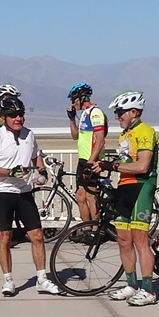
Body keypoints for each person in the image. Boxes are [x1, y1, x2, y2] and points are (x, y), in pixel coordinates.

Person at [0, 96, 61, 297]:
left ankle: (42, 279)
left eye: (21, 115)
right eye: (13, 115)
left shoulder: (29, 134)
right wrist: (9, 172)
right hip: (3, 191)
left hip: (24, 191)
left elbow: (36, 155)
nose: (18, 119)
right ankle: (8, 280)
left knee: (37, 235)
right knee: (5, 237)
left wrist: (42, 172)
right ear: (4, 118)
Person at [105, 90, 159, 306]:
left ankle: (148, 290)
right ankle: (131, 285)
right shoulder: (124, 134)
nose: (117, 116)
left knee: (140, 240)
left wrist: (113, 165)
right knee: (123, 239)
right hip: (125, 187)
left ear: (134, 112)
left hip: (141, 186)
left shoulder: (145, 131)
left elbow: (142, 166)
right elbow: (124, 163)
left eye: (120, 112)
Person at [66, 83, 108, 222]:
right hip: (83, 159)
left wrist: (90, 163)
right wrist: (72, 118)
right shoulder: (85, 113)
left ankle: (95, 229)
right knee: (80, 196)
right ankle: (87, 228)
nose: (73, 102)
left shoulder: (95, 113)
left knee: (90, 196)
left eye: (74, 99)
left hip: (92, 159)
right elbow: (75, 136)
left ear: (82, 98)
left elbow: (100, 140)